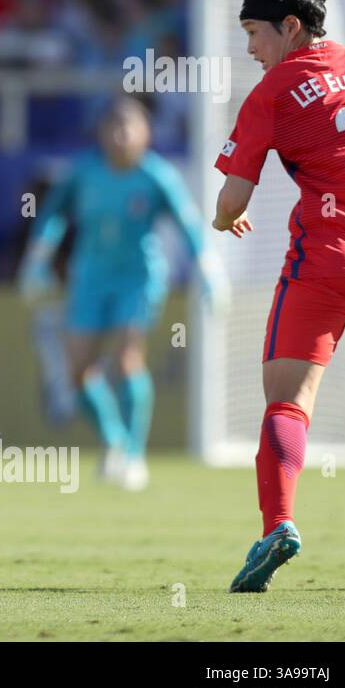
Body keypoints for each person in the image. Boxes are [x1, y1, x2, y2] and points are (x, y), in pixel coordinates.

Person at [212, 0, 345, 592]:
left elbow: (233, 201)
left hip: (325, 262)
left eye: (255, 33)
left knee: (288, 399)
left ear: (290, 27)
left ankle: (278, 524)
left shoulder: (277, 89)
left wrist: (225, 216)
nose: (251, 48)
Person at [19, 96, 226, 490]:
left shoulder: (156, 176)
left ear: (146, 133)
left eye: (129, 126)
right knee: (78, 372)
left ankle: (133, 455)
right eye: (113, 126)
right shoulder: (82, 172)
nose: (121, 135)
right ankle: (113, 441)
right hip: (90, 279)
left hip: (139, 277)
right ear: (100, 133)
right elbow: (52, 216)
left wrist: (209, 270)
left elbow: (189, 224)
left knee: (128, 358)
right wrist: (37, 259)